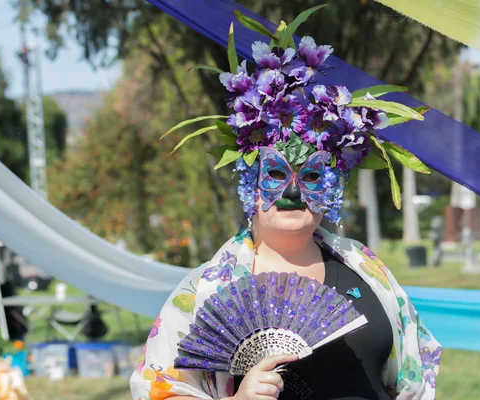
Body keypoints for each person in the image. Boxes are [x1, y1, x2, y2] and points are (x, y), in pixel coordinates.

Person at [130, 8, 441, 400]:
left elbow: (414, 373)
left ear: (331, 186)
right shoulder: (205, 292)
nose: (292, 193)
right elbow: (157, 390)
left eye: (310, 176)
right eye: (276, 174)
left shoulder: (367, 269)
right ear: (251, 186)